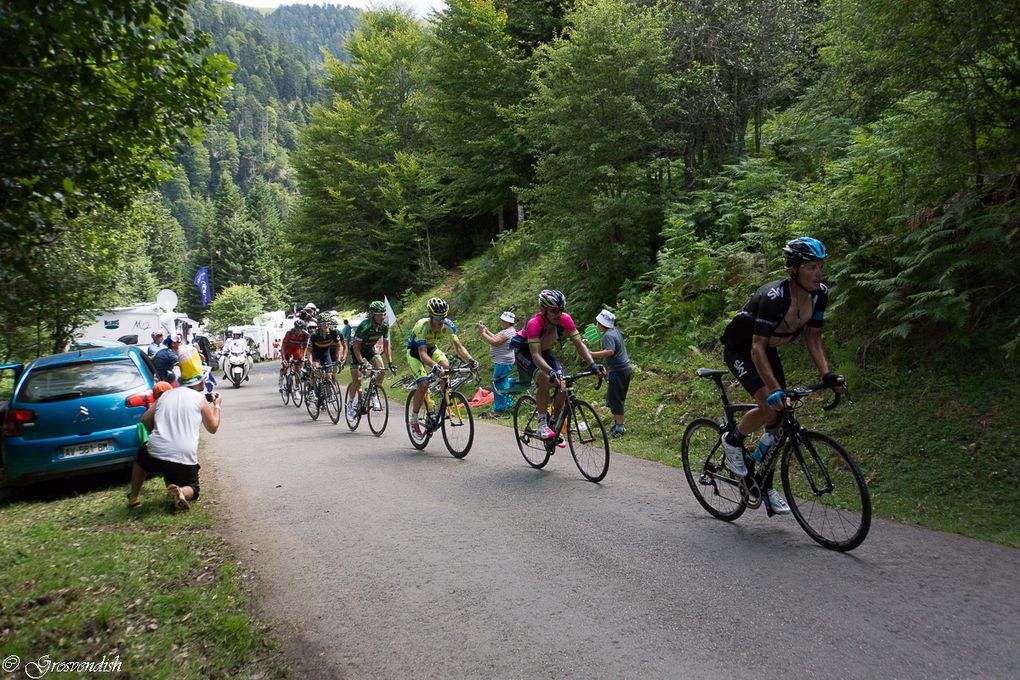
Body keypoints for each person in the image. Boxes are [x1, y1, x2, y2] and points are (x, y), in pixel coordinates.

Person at [718, 237, 844, 516]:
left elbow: (814, 337)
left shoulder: (819, 294)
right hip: (742, 349)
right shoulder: (774, 297)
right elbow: (756, 347)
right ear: (794, 270)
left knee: (779, 423)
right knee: (770, 406)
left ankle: (764, 486)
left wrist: (827, 374)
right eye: (811, 267)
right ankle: (733, 439)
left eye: (820, 267)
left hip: (768, 350)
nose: (819, 273)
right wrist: (775, 390)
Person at [509, 290, 604, 440]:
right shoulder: (534, 324)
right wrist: (550, 371)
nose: (558, 314)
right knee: (545, 381)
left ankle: (554, 421)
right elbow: (535, 355)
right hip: (526, 353)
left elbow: (579, 345)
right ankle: (541, 425)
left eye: (561, 310)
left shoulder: (565, 319)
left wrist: (592, 364)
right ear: (543, 309)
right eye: (554, 311)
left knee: (564, 384)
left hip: (544, 352)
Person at [128, 364, 221, 512]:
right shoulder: (200, 399)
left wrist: (154, 434)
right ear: (199, 382)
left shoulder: (165, 395)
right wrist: (217, 406)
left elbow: (145, 419)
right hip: (184, 457)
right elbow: (213, 427)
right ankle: (181, 492)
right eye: (203, 379)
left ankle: (133, 497)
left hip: (156, 451)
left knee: (141, 458)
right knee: (194, 488)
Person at [405, 297, 478, 439]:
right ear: (431, 316)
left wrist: (470, 360)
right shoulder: (422, 326)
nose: (441, 320)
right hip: (415, 353)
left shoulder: (449, 326)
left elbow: (459, 347)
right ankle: (413, 420)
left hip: (432, 349)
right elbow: (422, 353)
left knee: (447, 367)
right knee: (423, 384)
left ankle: (442, 400)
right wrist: (433, 366)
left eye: (443, 317)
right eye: (438, 317)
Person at [346, 301, 397, 418]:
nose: (382, 317)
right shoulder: (365, 326)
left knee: (381, 369)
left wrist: (390, 362)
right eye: (379, 314)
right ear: (373, 314)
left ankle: (373, 393)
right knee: (356, 381)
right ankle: (349, 405)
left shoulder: (384, 326)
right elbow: (355, 346)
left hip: (369, 349)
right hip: (356, 351)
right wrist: (361, 362)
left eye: (384, 314)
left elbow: (386, 345)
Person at [588, 309, 631, 438]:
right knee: (616, 397)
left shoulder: (608, 336)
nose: (596, 325)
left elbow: (610, 351)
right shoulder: (615, 331)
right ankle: (618, 424)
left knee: (615, 398)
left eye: (597, 323)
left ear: (602, 324)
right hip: (625, 369)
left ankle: (619, 428)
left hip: (617, 371)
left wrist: (591, 354)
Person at [478, 311, 517, 418]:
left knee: (498, 383)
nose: (501, 322)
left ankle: (501, 407)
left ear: (507, 322)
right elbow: (496, 337)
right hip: (503, 361)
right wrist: (487, 331)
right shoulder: (508, 331)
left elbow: (494, 342)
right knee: (503, 382)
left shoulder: (508, 332)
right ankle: (506, 405)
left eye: (502, 320)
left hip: (503, 362)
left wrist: (483, 333)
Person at [307, 312, 342, 382]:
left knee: (329, 375)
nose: (326, 325)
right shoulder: (314, 335)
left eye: (328, 323)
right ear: (319, 325)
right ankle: (311, 388)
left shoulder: (333, 331)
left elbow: (339, 346)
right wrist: (311, 363)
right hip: (316, 353)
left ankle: (327, 390)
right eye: (324, 324)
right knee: (316, 371)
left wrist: (338, 358)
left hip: (325, 353)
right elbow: (309, 351)